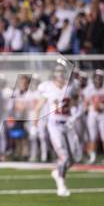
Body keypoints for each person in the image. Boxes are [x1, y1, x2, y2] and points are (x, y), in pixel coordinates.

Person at [34, 62, 80, 197]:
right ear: (54, 74)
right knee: (64, 156)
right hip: (54, 125)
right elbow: (38, 107)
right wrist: (34, 125)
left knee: (75, 157)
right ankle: (61, 185)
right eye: (58, 72)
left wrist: (74, 116)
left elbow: (76, 103)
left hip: (68, 124)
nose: (60, 75)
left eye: (62, 72)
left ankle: (57, 172)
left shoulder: (71, 87)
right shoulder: (48, 87)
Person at [83, 69, 104, 164]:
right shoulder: (89, 90)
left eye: (99, 78)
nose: (98, 80)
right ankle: (93, 157)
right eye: (96, 78)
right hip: (92, 113)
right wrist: (92, 107)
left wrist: (102, 106)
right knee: (92, 136)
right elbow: (85, 104)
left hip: (103, 113)